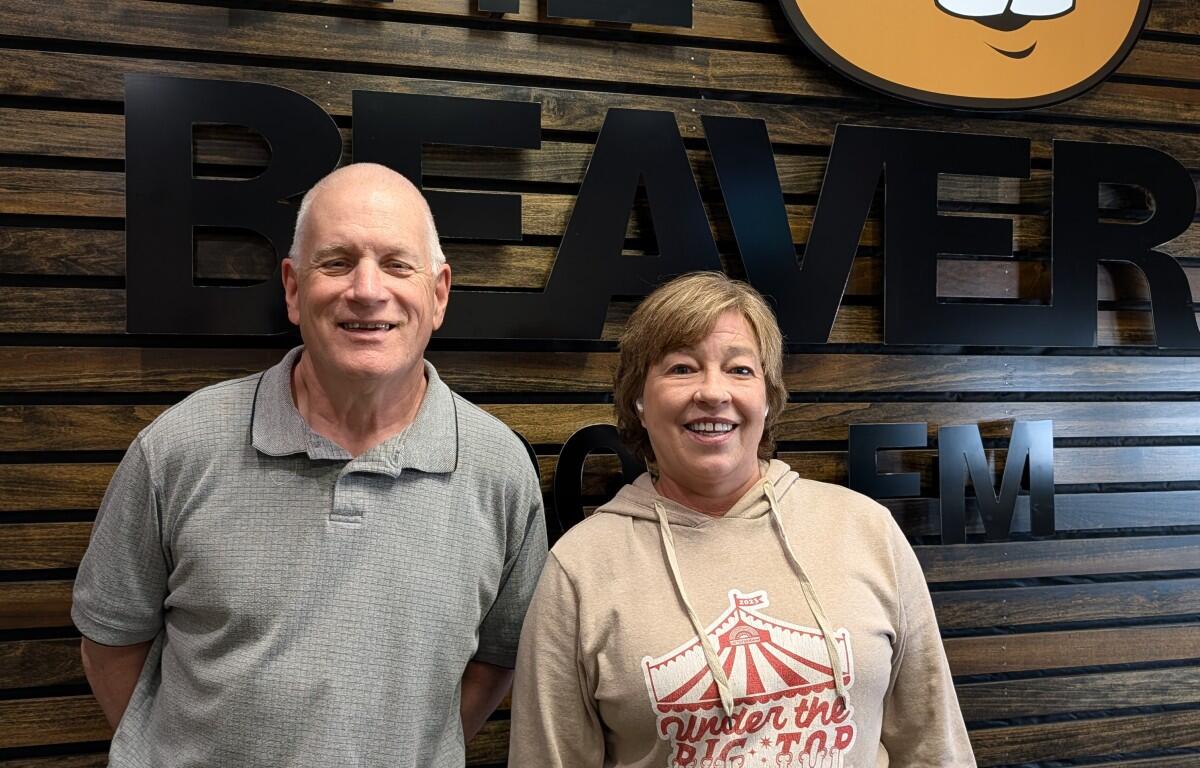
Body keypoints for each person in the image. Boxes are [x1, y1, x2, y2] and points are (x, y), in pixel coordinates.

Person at [72, 163, 548, 768]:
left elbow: (496, 659)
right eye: (337, 262)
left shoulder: (499, 469)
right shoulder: (179, 449)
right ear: (293, 289)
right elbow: (110, 643)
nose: (368, 290)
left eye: (398, 265)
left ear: (439, 294)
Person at [510, 271, 974, 767]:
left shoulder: (865, 529)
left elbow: (933, 744)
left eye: (740, 370)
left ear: (769, 399)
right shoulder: (580, 568)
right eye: (682, 368)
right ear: (639, 402)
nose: (713, 392)